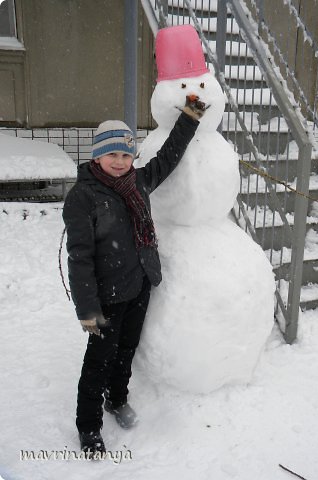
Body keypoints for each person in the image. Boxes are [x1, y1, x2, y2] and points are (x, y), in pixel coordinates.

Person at [62, 95, 205, 457]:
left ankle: (117, 398)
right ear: (97, 156)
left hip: (139, 284)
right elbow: (79, 257)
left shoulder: (138, 182)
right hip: (106, 296)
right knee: (98, 361)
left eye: (126, 155)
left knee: (126, 350)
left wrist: (189, 119)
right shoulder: (83, 196)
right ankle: (88, 426)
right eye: (112, 155)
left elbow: (169, 157)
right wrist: (87, 308)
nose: (120, 162)